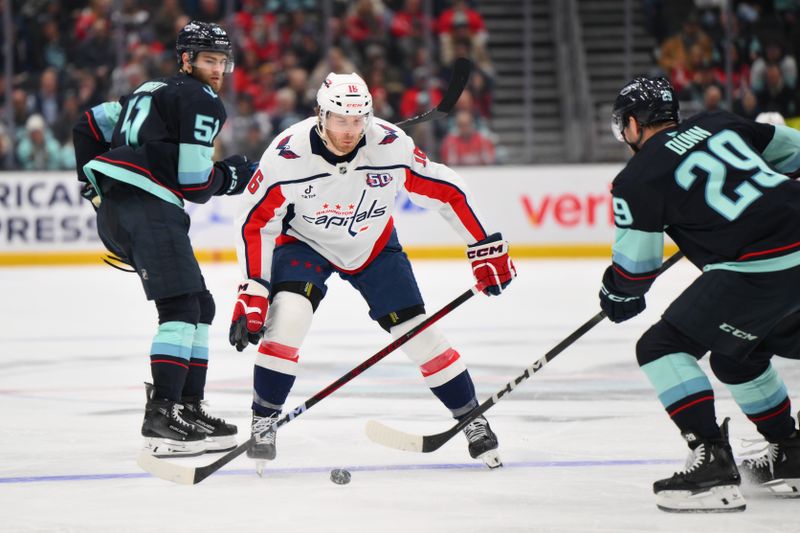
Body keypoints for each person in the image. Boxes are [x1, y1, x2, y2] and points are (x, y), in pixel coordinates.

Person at [228, 72, 516, 470]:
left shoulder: (390, 146)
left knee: (420, 336)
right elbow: (256, 223)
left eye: (359, 120)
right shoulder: (287, 155)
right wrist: (255, 288)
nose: (350, 132)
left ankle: (472, 418)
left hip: (374, 246)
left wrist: (484, 245)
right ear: (320, 116)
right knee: (287, 320)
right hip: (305, 244)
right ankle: (264, 422)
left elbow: (445, 189)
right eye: (340, 121)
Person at [599, 76, 800, 512]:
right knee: (737, 355)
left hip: (759, 266)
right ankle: (792, 453)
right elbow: (795, 151)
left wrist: (615, 293)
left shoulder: (637, 178)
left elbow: (636, 271)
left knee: (661, 346)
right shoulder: (720, 122)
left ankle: (712, 462)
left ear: (633, 124)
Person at [72, 21, 256, 458]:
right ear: (187, 59)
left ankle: (187, 408)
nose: (217, 69)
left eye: (222, 61)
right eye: (209, 59)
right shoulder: (201, 99)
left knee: (198, 305)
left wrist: (91, 182)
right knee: (179, 307)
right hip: (149, 208)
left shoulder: (147, 90)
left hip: (127, 209)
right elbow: (194, 182)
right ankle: (162, 416)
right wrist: (232, 174)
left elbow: (86, 126)